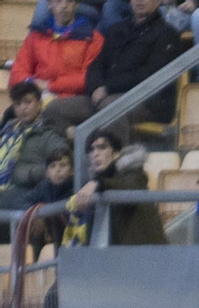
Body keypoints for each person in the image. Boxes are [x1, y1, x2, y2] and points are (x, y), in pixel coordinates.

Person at [47, 0, 179, 130]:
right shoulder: (116, 29)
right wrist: (95, 88)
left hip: (146, 102)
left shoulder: (167, 34)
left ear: (158, 2)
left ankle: (112, 150)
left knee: (111, 108)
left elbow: (149, 74)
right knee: (53, 109)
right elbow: (97, 65)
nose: (140, 1)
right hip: (104, 97)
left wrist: (108, 88)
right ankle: (71, 145)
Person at [68, 129, 164, 244]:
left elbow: (130, 187)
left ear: (115, 153)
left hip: (144, 255)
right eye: (91, 149)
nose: (95, 154)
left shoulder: (133, 172)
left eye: (102, 147)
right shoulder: (95, 186)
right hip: (111, 256)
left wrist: (99, 183)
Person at [10, 0, 102, 100]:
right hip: (37, 97)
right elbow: (17, 73)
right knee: (10, 114)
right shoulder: (36, 35)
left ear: (76, 4)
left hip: (73, 99)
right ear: (49, 4)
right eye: (58, 1)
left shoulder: (93, 38)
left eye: (70, 1)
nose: (64, 6)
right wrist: (32, 82)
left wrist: (50, 85)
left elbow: (88, 78)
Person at [0, 82, 70, 210]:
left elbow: (63, 162)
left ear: (39, 104)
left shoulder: (48, 132)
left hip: (30, 191)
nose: (23, 108)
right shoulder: (7, 131)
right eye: (18, 104)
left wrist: (25, 174)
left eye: (27, 102)